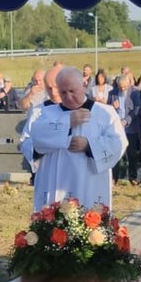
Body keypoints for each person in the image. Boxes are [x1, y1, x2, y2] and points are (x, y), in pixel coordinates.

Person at [20, 66, 127, 211]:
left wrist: (89, 145)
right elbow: (35, 138)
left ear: (83, 85)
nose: (68, 96)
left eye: (72, 91)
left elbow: (119, 143)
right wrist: (66, 122)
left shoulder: (104, 112)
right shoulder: (45, 113)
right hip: (53, 184)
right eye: (63, 92)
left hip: (88, 184)